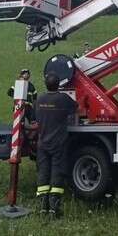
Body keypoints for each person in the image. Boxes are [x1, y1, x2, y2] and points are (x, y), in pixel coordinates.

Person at [35, 71, 78, 218]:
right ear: (59, 84)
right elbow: (75, 107)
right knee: (57, 173)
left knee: (43, 173)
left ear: (46, 84)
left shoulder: (39, 99)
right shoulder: (63, 99)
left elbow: (36, 116)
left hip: (42, 143)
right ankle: (54, 209)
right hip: (58, 143)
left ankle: (42, 207)